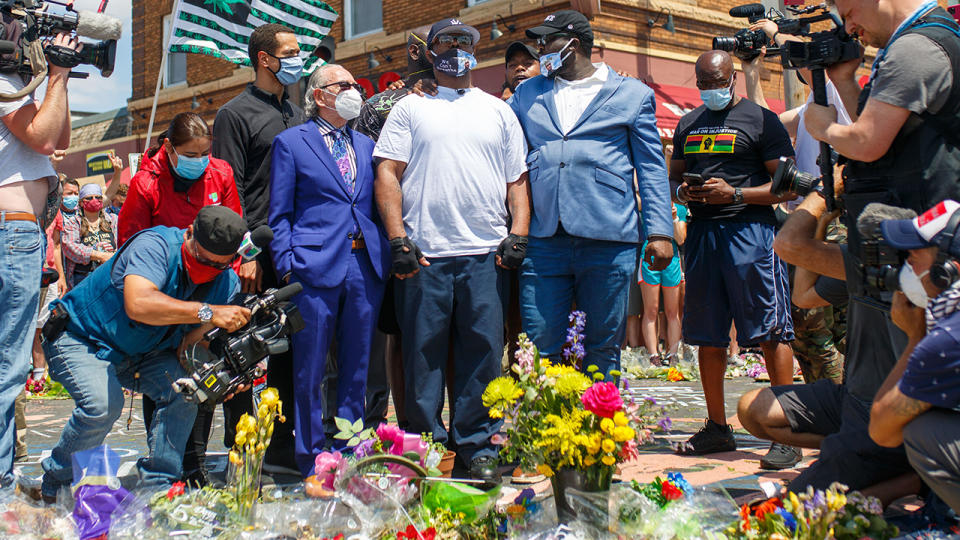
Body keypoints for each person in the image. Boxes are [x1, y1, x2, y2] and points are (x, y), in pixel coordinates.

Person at [374, 18, 530, 483]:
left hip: (486, 253)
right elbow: (388, 174)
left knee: (482, 353)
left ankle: (476, 445)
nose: (457, 49)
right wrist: (398, 238)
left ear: (475, 52)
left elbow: (516, 180)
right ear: (431, 51)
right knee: (422, 357)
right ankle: (423, 447)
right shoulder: (409, 109)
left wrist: (518, 232)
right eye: (447, 42)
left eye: (465, 42)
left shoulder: (498, 111)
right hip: (424, 255)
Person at [38, 206, 249, 502]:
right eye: (201, 258)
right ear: (189, 233)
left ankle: (158, 487)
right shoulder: (155, 246)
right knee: (103, 405)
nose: (207, 268)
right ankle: (57, 480)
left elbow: (187, 348)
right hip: (81, 337)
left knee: (185, 392)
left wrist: (219, 374)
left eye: (218, 265)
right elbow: (139, 303)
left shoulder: (226, 284)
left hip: (141, 352)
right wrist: (209, 312)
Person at [509, 10, 674, 378]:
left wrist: (661, 232)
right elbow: (497, 133)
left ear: (574, 44)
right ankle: (543, 431)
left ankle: (601, 431)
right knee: (538, 344)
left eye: (546, 41)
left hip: (607, 236)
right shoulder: (527, 93)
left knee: (602, 343)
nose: (540, 50)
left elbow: (650, 168)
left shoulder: (632, 94)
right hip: (544, 237)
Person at [670, 51, 797, 462]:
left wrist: (737, 193)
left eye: (717, 81)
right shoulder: (688, 124)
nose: (710, 89)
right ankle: (717, 428)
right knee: (707, 334)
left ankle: (786, 433)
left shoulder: (762, 121)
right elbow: (674, 175)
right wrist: (683, 193)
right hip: (704, 235)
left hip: (752, 233)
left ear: (733, 80)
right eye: (703, 82)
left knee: (770, 329)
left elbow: (789, 187)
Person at [740, 196, 913, 498]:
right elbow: (803, 296)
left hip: (899, 410)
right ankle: (865, 455)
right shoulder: (861, 262)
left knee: (802, 501)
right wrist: (821, 224)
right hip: (851, 399)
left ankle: (901, 474)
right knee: (752, 409)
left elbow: (789, 243)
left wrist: (822, 193)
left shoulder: (926, 272)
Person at [270, 64, 390, 477]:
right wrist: (287, 267)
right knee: (310, 368)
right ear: (320, 95)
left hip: (363, 264)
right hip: (313, 267)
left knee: (358, 365)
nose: (354, 91)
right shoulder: (291, 143)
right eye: (345, 86)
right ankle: (310, 457)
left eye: (356, 85)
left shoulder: (365, 143)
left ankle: (351, 448)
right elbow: (280, 214)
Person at [118, 112, 243, 485]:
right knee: (165, 376)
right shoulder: (146, 183)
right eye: (191, 153)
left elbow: (234, 228)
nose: (201, 160)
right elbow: (131, 243)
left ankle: (195, 464)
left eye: (206, 152)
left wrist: (230, 274)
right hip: (165, 289)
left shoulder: (219, 173)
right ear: (170, 149)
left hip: (212, 282)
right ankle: (165, 464)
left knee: (200, 371)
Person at [212, 23, 306, 474]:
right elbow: (227, 189)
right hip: (255, 251)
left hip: (295, 248)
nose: (298, 58)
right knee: (249, 351)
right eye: (290, 52)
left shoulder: (298, 111)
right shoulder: (234, 113)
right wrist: (243, 254)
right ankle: (244, 446)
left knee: (290, 347)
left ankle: (282, 443)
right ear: (265, 59)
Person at [742, 34, 853, 388]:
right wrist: (751, 70)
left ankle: (841, 404)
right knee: (811, 328)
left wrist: (775, 31)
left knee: (819, 326)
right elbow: (766, 125)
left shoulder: (834, 92)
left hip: (835, 220)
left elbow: (814, 61)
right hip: (808, 221)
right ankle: (835, 400)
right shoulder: (808, 109)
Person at [0, 31, 78, 490]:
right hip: (10, 232)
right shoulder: (6, 83)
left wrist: (58, 81)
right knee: (8, 369)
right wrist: (58, 73)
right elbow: (46, 139)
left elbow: (61, 132)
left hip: (16, 233)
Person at [353, 24, 432, 432]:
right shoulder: (381, 105)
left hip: (457, 234)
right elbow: (364, 178)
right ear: (418, 52)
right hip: (394, 236)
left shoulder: (470, 102)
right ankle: (398, 430)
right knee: (395, 333)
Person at [869, 200, 960, 513]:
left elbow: (882, 429)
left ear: (948, 269)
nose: (907, 267)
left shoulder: (947, 340)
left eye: (913, 256)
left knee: (923, 432)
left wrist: (915, 338)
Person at [639, 203, 687, 366]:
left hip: (672, 259)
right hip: (648, 256)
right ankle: (653, 355)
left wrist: (674, 218)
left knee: (672, 311)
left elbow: (680, 239)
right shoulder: (647, 204)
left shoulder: (679, 208)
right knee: (651, 309)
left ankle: (672, 354)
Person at [61, 183, 117, 288]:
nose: (94, 200)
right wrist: (99, 255)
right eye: (89, 198)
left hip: (110, 274)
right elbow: (70, 247)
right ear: (81, 203)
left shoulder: (113, 220)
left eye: (98, 197)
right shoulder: (73, 223)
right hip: (84, 277)